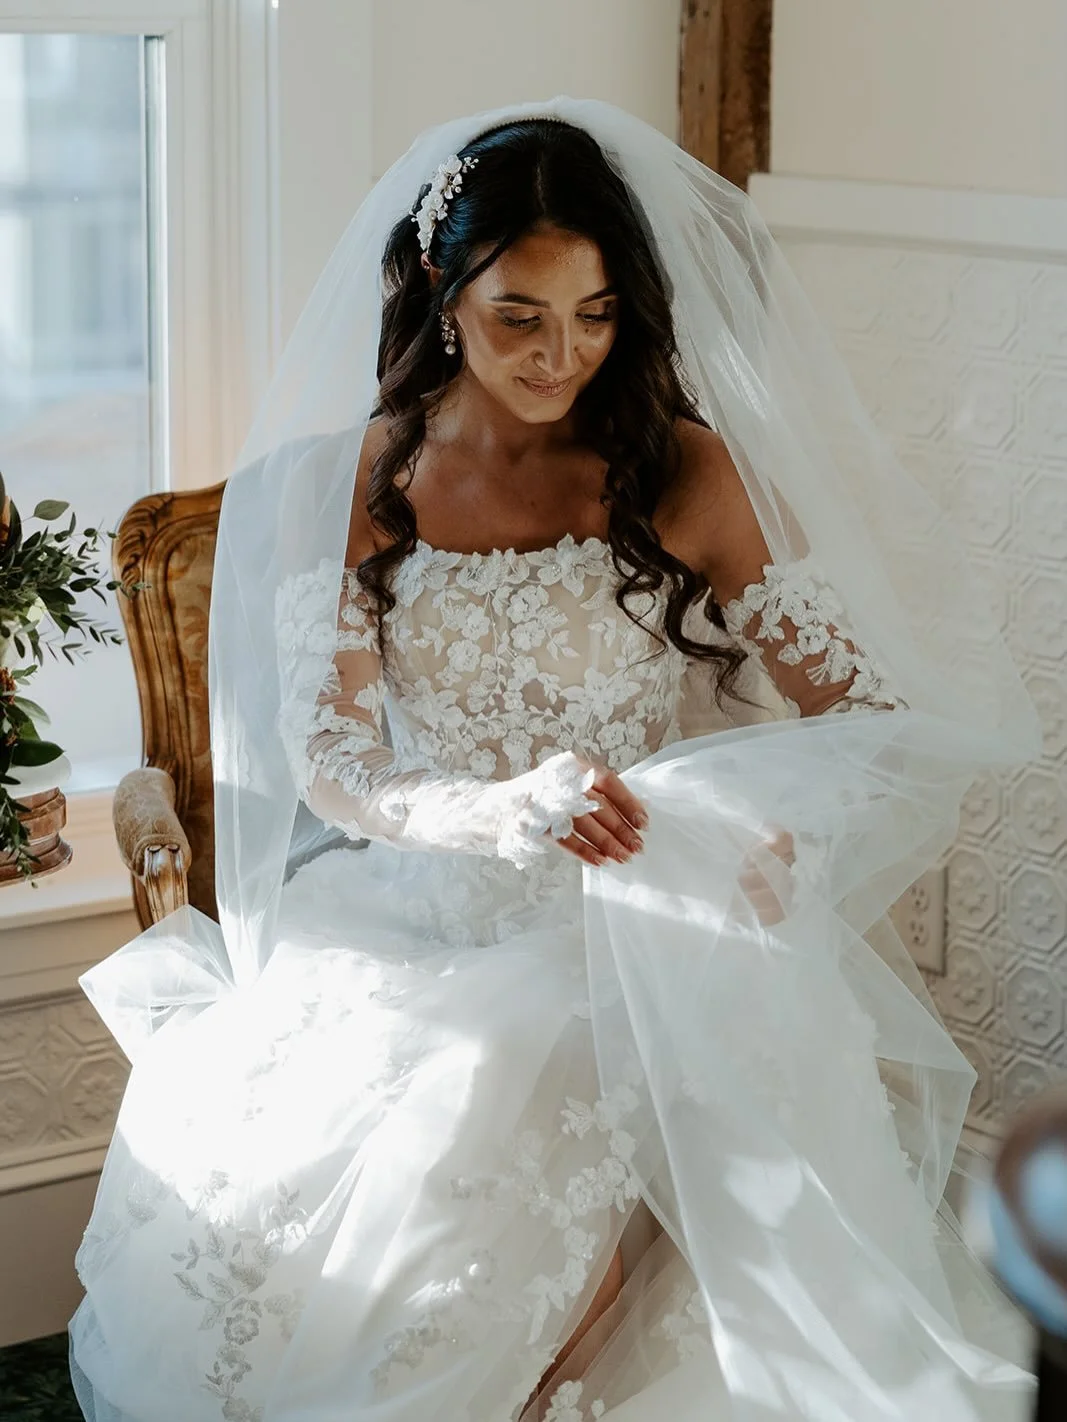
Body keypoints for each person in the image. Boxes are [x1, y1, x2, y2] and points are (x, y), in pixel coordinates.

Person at [69, 97, 1042, 1421]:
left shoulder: (683, 474)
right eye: (520, 315)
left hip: (648, 900)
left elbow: (864, 713)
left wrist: (787, 835)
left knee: (563, 1044)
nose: (559, 354)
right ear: (440, 290)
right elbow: (338, 763)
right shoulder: (354, 485)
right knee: (468, 1066)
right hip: (423, 898)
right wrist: (495, 810)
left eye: (592, 315)